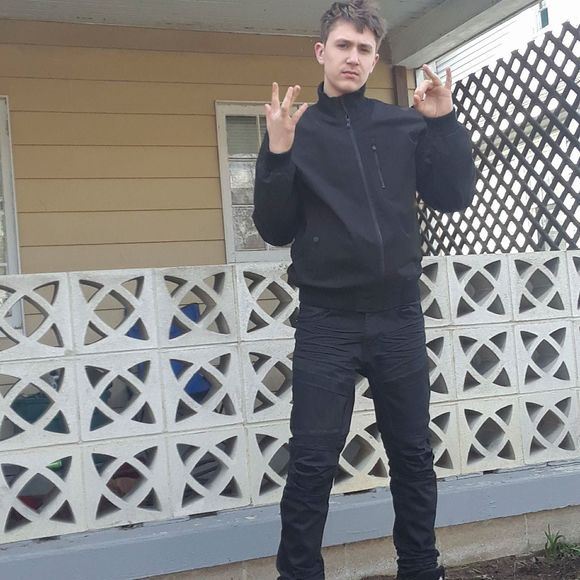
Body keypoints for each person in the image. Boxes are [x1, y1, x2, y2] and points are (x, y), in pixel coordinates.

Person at [253, 1, 475, 578]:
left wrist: (443, 123)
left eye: (364, 49)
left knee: (412, 455)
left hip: (398, 316)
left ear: (375, 59)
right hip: (327, 321)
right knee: (311, 462)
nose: (353, 57)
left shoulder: (402, 126)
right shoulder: (296, 131)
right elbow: (274, 228)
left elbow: (453, 196)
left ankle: (421, 568)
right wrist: (277, 153)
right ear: (321, 52)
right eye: (343, 46)